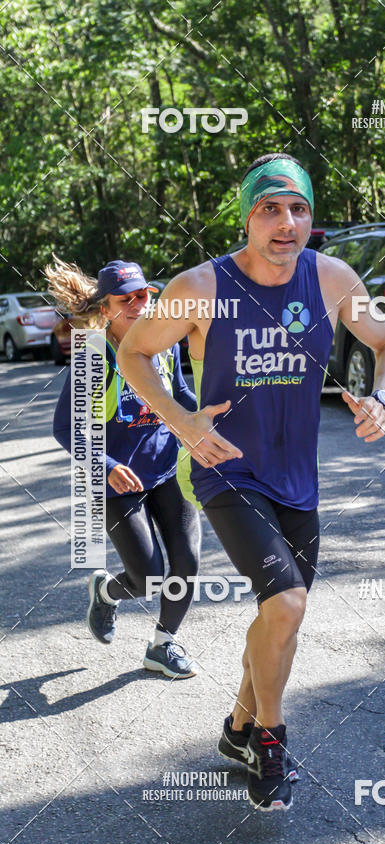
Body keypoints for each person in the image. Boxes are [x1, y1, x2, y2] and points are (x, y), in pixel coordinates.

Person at [117, 153, 385, 810]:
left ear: (311, 217)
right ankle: (270, 741)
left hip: (298, 478)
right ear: (247, 216)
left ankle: (238, 726)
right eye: (270, 209)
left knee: (280, 617)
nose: (286, 223)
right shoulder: (201, 287)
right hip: (227, 471)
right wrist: (182, 421)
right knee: (286, 605)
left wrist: (382, 399)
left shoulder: (331, 278)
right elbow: (134, 352)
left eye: (299, 209)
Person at [49, 256, 201, 678]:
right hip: (116, 483)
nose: (139, 303)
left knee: (187, 560)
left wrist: (204, 415)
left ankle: (163, 645)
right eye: (127, 298)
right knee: (149, 579)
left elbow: (180, 393)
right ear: (106, 308)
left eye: (144, 294)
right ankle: (107, 591)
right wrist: (106, 464)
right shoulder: (93, 356)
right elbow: (64, 427)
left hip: (167, 470)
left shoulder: (163, 341)